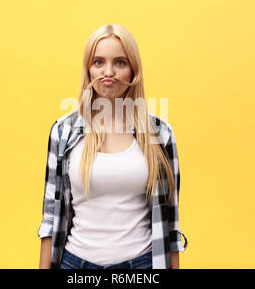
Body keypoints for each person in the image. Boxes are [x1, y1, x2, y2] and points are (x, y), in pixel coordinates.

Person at [38, 24, 188, 269]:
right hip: (75, 266)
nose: (109, 71)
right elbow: (50, 218)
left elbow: (170, 226)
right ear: (88, 68)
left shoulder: (160, 135)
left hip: (141, 267)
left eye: (120, 62)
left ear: (133, 71)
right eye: (98, 62)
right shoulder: (63, 131)